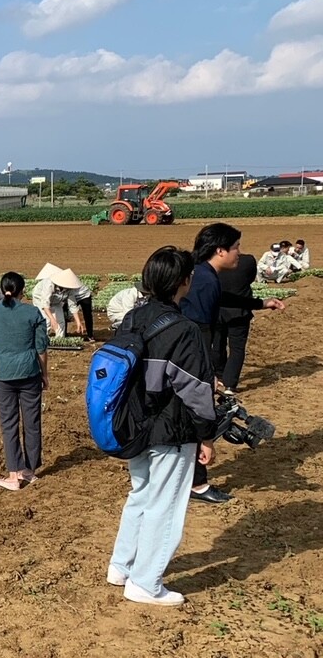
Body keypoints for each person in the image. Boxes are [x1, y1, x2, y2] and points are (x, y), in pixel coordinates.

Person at [108, 245, 217, 606]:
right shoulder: (184, 329)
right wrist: (206, 435)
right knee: (165, 505)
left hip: (132, 424)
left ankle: (121, 566)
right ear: (183, 281)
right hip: (171, 429)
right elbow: (196, 391)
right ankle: (146, 583)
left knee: (140, 494)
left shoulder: (132, 318)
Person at [179, 222, 285, 503]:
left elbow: (223, 299)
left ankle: (187, 479)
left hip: (182, 359)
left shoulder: (204, 275)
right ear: (220, 250)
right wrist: (205, 372)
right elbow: (198, 330)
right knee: (197, 415)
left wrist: (261, 303)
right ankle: (197, 485)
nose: (239, 253)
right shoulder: (204, 280)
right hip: (186, 360)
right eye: (236, 247)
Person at [0, 272, 48, 491]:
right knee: (32, 422)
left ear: (2, 290)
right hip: (29, 372)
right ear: (22, 291)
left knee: (9, 424)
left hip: (2, 373)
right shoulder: (32, 312)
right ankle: (29, 470)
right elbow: (41, 347)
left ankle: (13, 474)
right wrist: (44, 374)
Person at [213, 252, 258, 393]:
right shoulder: (247, 261)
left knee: (217, 344)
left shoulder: (213, 263)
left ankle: (219, 375)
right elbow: (251, 278)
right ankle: (230, 383)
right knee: (237, 348)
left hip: (217, 310)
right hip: (239, 311)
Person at [30, 264, 83, 337]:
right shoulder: (49, 284)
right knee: (47, 321)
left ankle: (59, 340)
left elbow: (72, 305)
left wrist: (78, 322)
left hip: (56, 301)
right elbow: (45, 304)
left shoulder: (70, 289)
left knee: (61, 321)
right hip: (40, 299)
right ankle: (42, 340)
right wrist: (52, 319)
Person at [62, 270, 95, 341]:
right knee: (63, 312)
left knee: (87, 314)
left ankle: (90, 335)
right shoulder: (63, 281)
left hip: (84, 295)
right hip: (71, 296)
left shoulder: (70, 281)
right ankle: (63, 334)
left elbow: (72, 304)